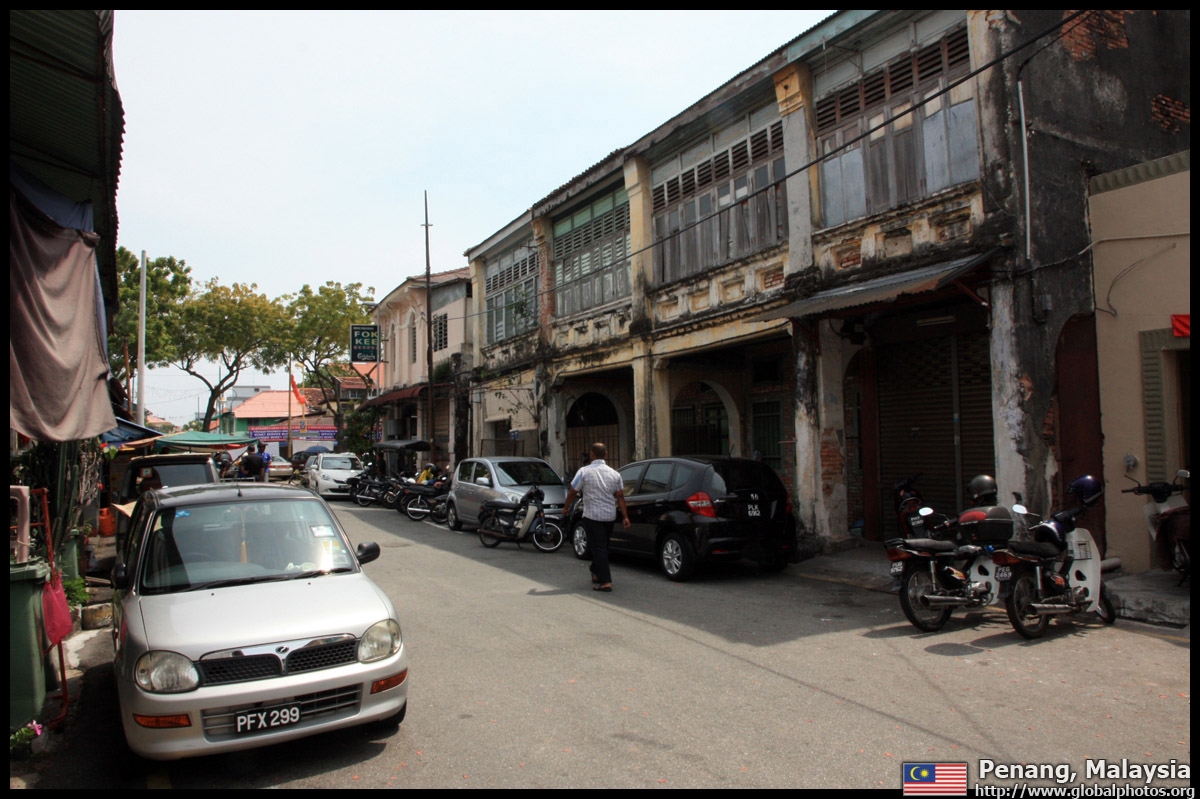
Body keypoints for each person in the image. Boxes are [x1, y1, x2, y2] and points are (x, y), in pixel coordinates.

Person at [563, 442, 629, 593]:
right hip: (609, 515)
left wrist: (566, 507)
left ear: (592, 454)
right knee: (602, 546)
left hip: (592, 516)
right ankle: (595, 571)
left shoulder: (584, 472)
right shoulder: (615, 474)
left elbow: (573, 491)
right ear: (606, 454)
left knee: (598, 547)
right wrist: (625, 516)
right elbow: (620, 496)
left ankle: (605, 581)